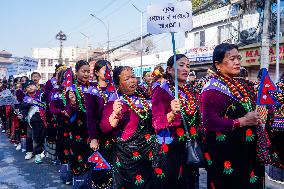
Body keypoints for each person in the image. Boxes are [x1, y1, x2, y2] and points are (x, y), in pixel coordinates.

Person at [201, 43, 264, 189]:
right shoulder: (212, 89)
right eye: (231, 59)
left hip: (246, 156)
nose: (237, 62)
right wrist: (241, 121)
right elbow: (209, 122)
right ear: (218, 64)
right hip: (226, 158)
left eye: (238, 58)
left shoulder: (236, 84)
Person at [100, 66, 155, 189]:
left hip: (147, 154)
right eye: (127, 78)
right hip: (126, 156)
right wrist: (115, 115)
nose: (132, 81)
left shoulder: (144, 97)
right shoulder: (115, 101)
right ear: (118, 85)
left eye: (133, 77)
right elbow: (104, 128)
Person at [152, 54, 200, 189]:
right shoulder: (161, 91)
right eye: (181, 65)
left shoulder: (191, 91)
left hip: (189, 147)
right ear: (169, 70)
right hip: (170, 148)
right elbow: (156, 123)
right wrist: (172, 113)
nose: (186, 69)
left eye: (188, 66)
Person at [85, 60, 114, 188]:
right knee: (101, 167)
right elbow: (90, 117)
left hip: (115, 134)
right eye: (105, 69)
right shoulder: (91, 91)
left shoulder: (115, 89)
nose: (109, 71)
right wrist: (93, 138)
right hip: (100, 135)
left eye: (110, 68)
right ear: (96, 72)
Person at [65, 60, 92, 189]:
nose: (86, 74)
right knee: (78, 158)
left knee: (92, 158)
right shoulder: (71, 89)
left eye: (88, 71)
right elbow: (68, 112)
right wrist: (72, 102)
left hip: (92, 130)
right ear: (76, 73)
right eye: (83, 71)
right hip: (77, 130)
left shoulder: (94, 87)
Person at [49, 67, 73, 185]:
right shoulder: (55, 91)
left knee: (77, 148)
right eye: (65, 77)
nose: (67, 80)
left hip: (77, 124)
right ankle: (66, 175)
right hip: (62, 124)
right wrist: (62, 112)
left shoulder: (76, 89)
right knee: (64, 149)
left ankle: (78, 174)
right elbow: (52, 108)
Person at [19, 80, 46, 164]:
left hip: (43, 119)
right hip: (32, 120)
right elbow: (23, 109)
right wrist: (22, 115)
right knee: (31, 136)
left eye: (32, 85)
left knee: (41, 136)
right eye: (27, 87)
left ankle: (40, 151)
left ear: (36, 85)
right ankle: (32, 152)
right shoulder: (26, 99)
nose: (30, 87)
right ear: (25, 89)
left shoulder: (42, 95)